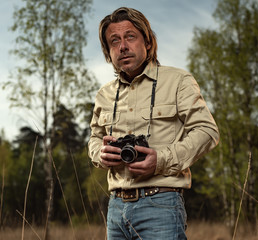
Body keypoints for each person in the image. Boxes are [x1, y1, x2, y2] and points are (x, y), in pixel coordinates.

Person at [88, 7, 219, 240]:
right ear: (108, 52)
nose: (123, 46)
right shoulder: (104, 94)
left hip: (161, 204)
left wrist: (161, 159)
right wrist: (101, 154)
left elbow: (207, 131)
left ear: (147, 43)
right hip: (115, 208)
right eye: (114, 41)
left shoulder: (178, 81)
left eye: (130, 36)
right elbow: (95, 139)